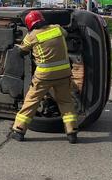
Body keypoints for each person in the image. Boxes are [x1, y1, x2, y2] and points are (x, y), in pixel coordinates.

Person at [10, 10, 79, 143]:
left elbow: (22, 51)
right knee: (65, 102)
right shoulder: (57, 29)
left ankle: (19, 130)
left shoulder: (31, 36)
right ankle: (72, 132)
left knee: (32, 101)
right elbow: (65, 34)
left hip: (44, 76)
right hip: (64, 74)